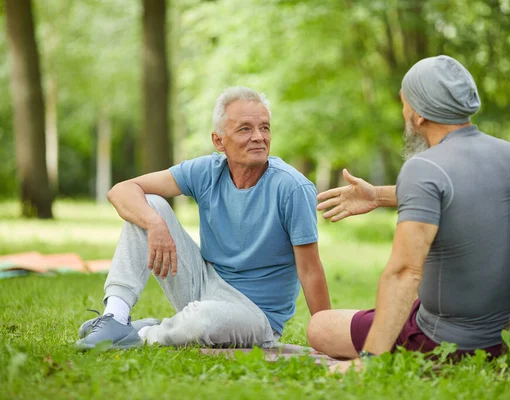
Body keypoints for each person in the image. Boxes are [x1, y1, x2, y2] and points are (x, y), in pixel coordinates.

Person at [76, 86, 331, 350]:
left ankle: (142, 335)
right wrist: (154, 223)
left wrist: (328, 333)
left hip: (255, 315)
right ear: (219, 141)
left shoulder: (293, 188)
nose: (258, 137)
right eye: (245, 129)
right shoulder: (207, 171)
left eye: (264, 128)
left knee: (202, 320)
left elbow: (310, 270)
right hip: (203, 284)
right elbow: (121, 191)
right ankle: (114, 317)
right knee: (149, 203)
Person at [307, 55, 510, 371]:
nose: (404, 113)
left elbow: (405, 272)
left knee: (320, 326)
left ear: (419, 116)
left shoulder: (424, 167)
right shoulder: (509, 154)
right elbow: (460, 194)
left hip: (443, 341)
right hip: (501, 337)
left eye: (405, 105)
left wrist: (370, 362)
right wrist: (377, 195)